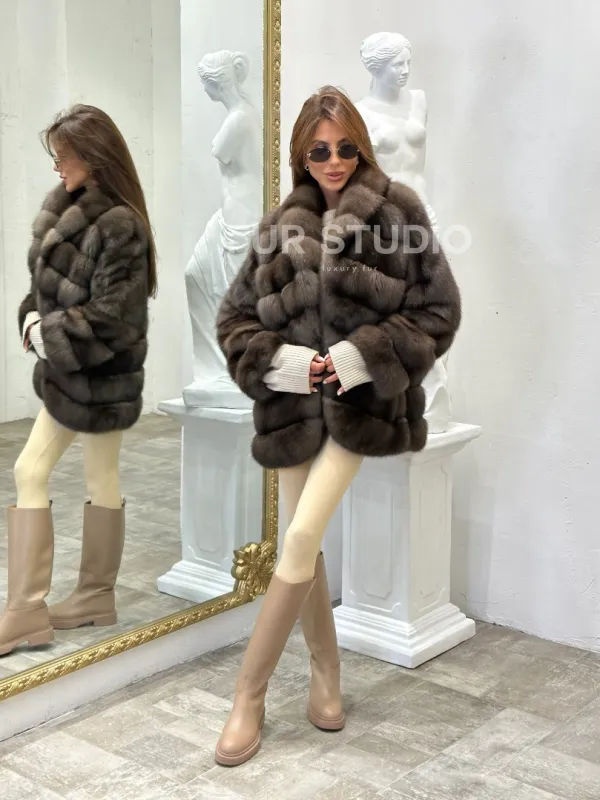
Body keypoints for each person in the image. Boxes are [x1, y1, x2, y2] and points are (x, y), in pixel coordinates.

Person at [214, 85, 461, 766]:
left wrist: (359, 358)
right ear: (302, 152)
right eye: (319, 150)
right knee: (306, 544)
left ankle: (248, 696)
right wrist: (283, 364)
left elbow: (439, 312)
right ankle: (326, 674)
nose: (333, 161)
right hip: (291, 407)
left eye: (345, 147)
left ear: (361, 146)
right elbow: (233, 320)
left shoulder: (397, 212)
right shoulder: (278, 226)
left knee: (297, 537)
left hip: (362, 407)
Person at [0, 104, 156, 657]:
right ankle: (95, 596)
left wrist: (48, 333)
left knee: (30, 469)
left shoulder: (121, 226)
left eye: (63, 156)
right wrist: (31, 318)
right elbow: (43, 290)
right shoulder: (64, 209)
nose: (56, 166)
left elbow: (115, 317)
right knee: (100, 474)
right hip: (73, 368)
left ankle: (25, 611)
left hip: (98, 375)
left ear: (93, 157)